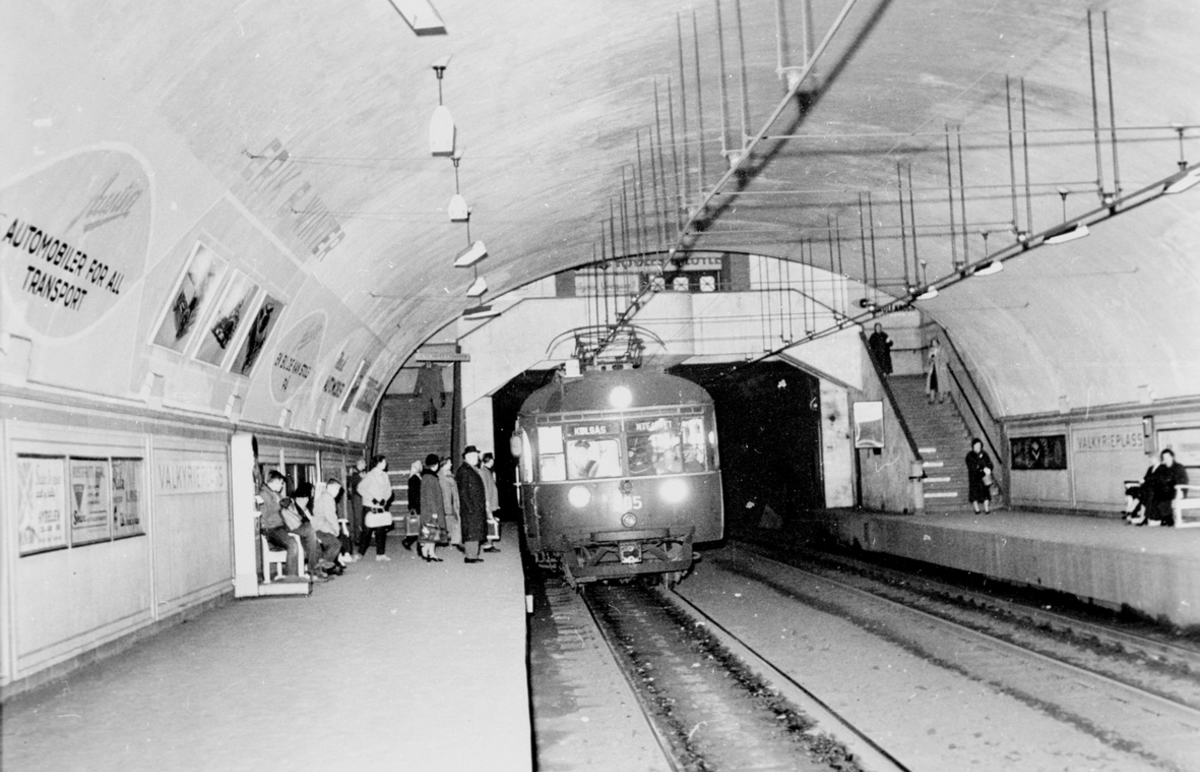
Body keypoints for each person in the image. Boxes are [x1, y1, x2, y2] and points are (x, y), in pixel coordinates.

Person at [258, 470, 303, 581]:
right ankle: (291, 577)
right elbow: (265, 514)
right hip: (271, 529)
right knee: (292, 544)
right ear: (275, 482)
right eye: (281, 483)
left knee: (299, 539)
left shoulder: (274, 493)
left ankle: (295, 573)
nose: (282, 486)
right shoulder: (264, 494)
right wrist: (280, 505)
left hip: (279, 527)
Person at [279, 492, 327, 581]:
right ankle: (314, 569)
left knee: (312, 532)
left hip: (293, 526)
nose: (307, 500)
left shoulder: (283, 498)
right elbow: (296, 520)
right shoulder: (284, 503)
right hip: (289, 527)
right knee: (311, 531)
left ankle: (315, 569)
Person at [456, 446, 489, 564]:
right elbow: (463, 492)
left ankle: (473, 555)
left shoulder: (470, 469)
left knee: (474, 532)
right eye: (475, 456)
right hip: (471, 509)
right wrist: (470, 508)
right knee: (472, 533)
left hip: (475, 507)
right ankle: (470, 557)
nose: (477, 458)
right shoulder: (464, 470)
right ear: (468, 457)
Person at [1140, 449, 1189, 527]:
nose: (1166, 459)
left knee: (1156, 495)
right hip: (1166, 491)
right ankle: (1154, 517)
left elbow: (1182, 481)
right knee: (1153, 493)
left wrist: (1180, 492)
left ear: (1172, 457)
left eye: (1168, 457)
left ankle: (1160, 518)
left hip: (1177, 491)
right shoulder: (1164, 468)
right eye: (1164, 457)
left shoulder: (1178, 467)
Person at [357, 454, 393, 561]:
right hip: (370, 506)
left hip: (381, 506)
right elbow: (360, 488)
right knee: (367, 531)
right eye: (384, 462)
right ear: (379, 463)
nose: (386, 464)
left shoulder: (385, 475)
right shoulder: (370, 475)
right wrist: (372, 499)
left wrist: (385, 499)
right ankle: (360, 553)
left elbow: (389, 490)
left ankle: (380, 554)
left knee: (381, 530)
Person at [310, 479, 346, 575]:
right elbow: (331, 516)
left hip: (320, 527)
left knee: (334, 543)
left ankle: (325, 566)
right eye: (337, 489)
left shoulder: (323, 496)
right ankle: (319, 568)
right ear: (331, 488)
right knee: (336, 544)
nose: (338, 492)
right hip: (320, 529)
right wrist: (336, 529)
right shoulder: (328, 498)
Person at [418, 453, 446, 562]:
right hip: (432, 510)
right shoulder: (430, 478)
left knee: (432, 532)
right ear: (435, 465)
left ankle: (431, 552)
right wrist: (434, 512)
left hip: (429, 509)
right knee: (432, 531)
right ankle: (427, 551)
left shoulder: (427, 476)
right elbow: (431, 496)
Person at [344, 458, 366, 561]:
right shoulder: (356, 475)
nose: (365, 465)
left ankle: (359, 537)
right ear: (360, 464)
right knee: (359, 518)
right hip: (357, 499)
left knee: (360, 517)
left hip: (358, 498)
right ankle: (358, 538)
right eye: (364, 463)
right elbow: (358, 487)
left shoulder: (357, 473)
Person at [965, 438, 993, 515]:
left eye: (979, 445)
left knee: (986, 493)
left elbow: (989, 463)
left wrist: (989, 468)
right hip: (974, 477)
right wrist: (982, 466)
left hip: (983, 477)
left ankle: (986, 508)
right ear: (973, 446)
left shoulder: (984, 454)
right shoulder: (970, 455)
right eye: (976, 445)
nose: (978, 447)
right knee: (974, 494)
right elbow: (973, 466)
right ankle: (977, 509)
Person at [439, 457, 462, 551]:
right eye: (449, 463)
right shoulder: (439, 476)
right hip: (444, 503)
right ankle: (443, 540)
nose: (451, 465)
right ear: (444, 464)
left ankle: (455, 540)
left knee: (454, 520)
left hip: (453, 502)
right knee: (445, 521)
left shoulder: (450, 475)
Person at [480, 452, 501, 553]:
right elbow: (485, 489)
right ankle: (488, 545)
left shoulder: (487, 471)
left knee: (490, 522)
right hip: (488, 503)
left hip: (491, 502)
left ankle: (489, 544)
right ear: (491, 460)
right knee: (489, 523)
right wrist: (487, 503)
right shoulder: (484, 472)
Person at [403, 460, 422, 552]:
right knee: (417, 526)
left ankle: (409, 541)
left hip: (414, 505)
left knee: (416, 526)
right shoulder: (415, 478)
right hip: (416, 505)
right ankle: (413, 543)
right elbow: (415, 495)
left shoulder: (413, 478)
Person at [925, 337, 949, 404]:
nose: (933, 344)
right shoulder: (931, 350)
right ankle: (932, 399)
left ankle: (941, 398)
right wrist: (931, 360)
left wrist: (938, 359)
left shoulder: (942, 349)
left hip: (940, 370)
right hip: (933, 369)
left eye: (935, 342)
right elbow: (928, 360)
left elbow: (946, 359)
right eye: (932, 342)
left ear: (937, 342)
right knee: (932, 384)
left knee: (941, 384)